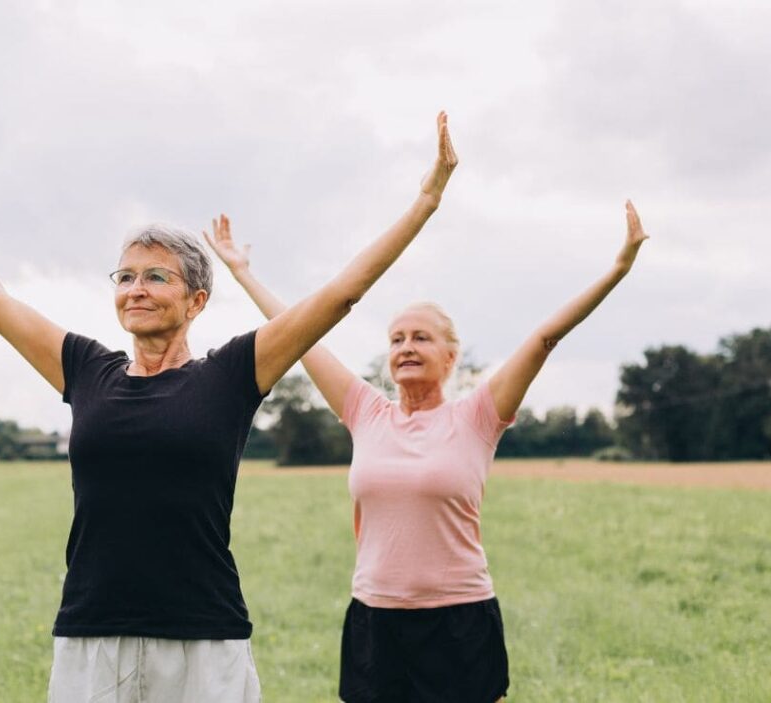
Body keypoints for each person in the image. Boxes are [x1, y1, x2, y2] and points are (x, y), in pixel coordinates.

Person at [0, 111, 458, 702]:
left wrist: (424, 202)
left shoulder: (232, 374)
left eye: (157, 276)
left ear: (197, 300)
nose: (136, 288)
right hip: (93, 633)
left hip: (202, 637)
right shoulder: (86, 368)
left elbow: (340, 295)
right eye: (126, 276)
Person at [206, 198, 649, 702]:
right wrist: (243, 273)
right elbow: (302, 337)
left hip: (459, 619)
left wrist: (617, 269)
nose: (406, 348)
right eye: (396, 340)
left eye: (421, 338)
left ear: (451, 355)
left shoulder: (478, 416)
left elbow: (545, 338)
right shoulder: (366, 412)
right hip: (375, 618)